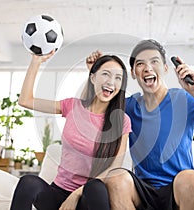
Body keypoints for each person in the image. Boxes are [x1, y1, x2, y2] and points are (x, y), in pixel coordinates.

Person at [86, 39, 194, 210]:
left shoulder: (184, 100)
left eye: (154, 61)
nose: (148, 68)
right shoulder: (129, 105)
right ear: (133, 73)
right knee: (116, 179)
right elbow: (91, 116)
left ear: (166, 68)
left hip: (180, 189)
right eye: (140, 64)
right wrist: (95, 77)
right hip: (143, 193)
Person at [10, 50, 131, 210]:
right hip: (57, 194)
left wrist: (76, 195)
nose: (111, 82)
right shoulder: (72, 106)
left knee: (95, 187)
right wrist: (36, 61)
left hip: (87, 198)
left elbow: (113, 169)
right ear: (93, 77)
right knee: (28, 182)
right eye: (106, 74)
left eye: (118, 78)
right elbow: (26, 100)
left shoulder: (121, 121)